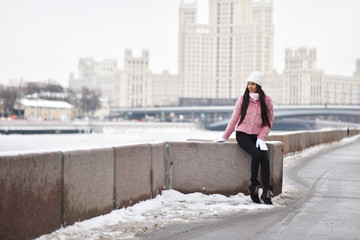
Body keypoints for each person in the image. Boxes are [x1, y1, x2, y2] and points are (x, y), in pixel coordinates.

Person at [215, 71, 275, 205]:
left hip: (257, 136)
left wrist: (261, 137)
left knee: (265, 158)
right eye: (249, 84)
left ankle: (266, 192)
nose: (250, 86)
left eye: (253, 84)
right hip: (242, 134)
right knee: (256, 155)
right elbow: (235, 118)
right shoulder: (243, 99)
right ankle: (253, 187)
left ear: (259, 85)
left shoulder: (267, 101)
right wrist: (224, 136)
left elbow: (269, 121)